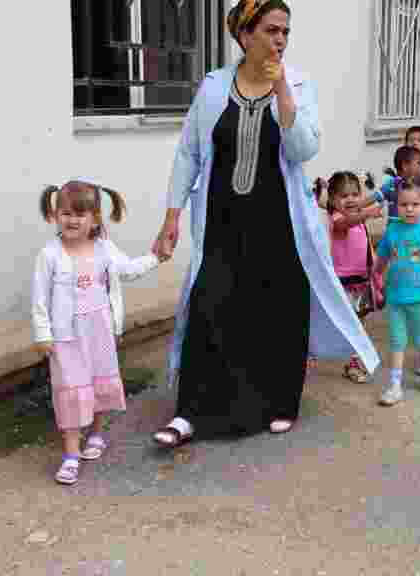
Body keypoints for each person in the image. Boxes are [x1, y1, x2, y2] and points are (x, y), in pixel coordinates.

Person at [151, 0, 379, 446]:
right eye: (271, 30)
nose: (280, 40)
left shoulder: (298, 83)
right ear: (245, 34)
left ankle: (279, 402)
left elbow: (304, 150)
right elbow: (189, 154)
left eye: (285, 32)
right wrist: (172, 218)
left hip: (279, 224)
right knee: (210, 304)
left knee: (276, 312)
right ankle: (191, 411)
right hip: (222, 221)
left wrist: (284, 96)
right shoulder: (214, 87)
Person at [32, 180, 162, 485]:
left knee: (99, 382)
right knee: (71, 389)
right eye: (65, 213)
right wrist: (43, 334)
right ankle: (71, 455)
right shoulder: (49, 255)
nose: (72, 220)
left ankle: (97, 435)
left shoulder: (103, 248)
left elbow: (127, 269)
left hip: (100, 329)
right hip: (66, 336)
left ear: (95, 219)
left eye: (80, 214)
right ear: (54, 215)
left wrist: (157, 257)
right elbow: (39, 298)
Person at [373, 177, 420, 405]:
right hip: (395, 299)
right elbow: (382, 259)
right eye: (404, 204)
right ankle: (394, 385)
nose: (410, 209)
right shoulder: (392, 230)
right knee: (397, 341)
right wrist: (375, 275)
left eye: (415, 204)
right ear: (397, 206)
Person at [321, 171, 385, 383]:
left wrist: (376, 272)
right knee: (346, 325)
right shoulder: (337, 218)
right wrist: (366, 213)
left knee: (358, 324)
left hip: (361, 280)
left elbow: (367, 247)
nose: (350, 199)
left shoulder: (359, 221)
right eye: (344, 196)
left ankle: (353, 362)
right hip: (343, 282)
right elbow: (344, 224)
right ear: (332, 200)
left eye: (355, 194)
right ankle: (320, 351)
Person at [378, 145, 420, 218]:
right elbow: (376, 197)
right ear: (405, 166)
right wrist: (360, 206)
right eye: (418, 163)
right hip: (396, 225)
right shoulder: (393, 183)